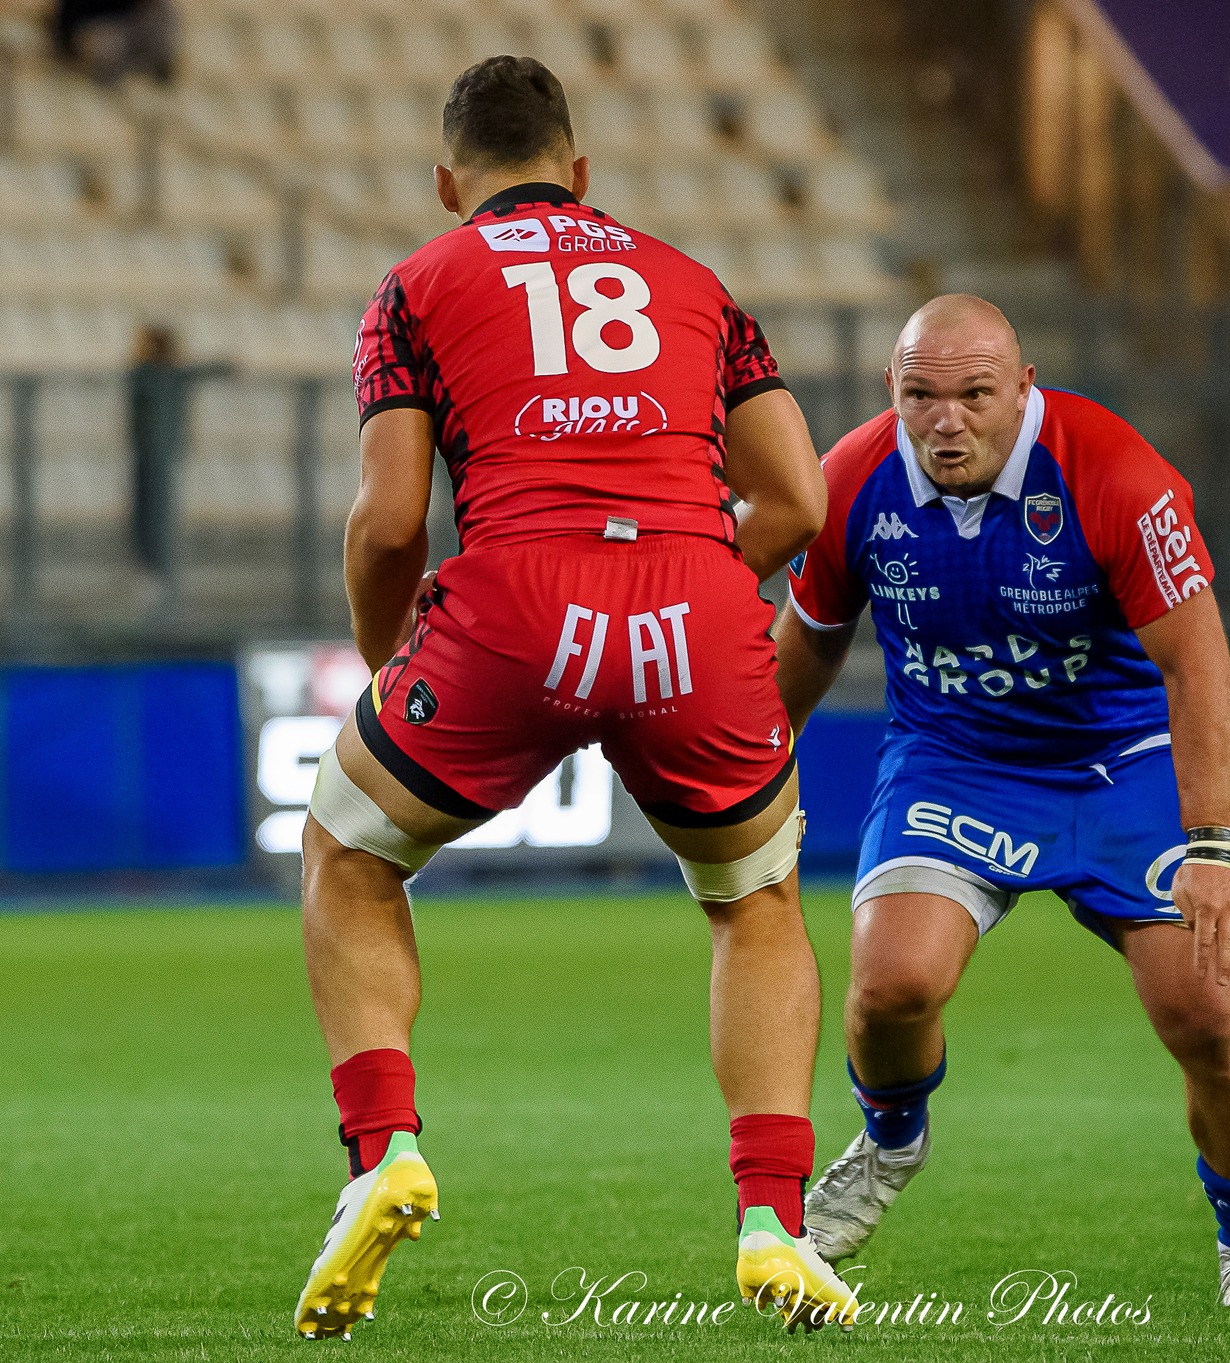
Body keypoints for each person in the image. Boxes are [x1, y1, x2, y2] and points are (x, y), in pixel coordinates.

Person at [293, 56, 856, 1339]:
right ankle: (772, 1221)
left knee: (348, 849)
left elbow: (388, 522)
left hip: (514, 607)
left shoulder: (417, 286)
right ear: (581, 172)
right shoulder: (695, 283)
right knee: (755, 901)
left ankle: (382, 1152)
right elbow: (798, 500)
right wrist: (691, 588)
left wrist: (388, 662)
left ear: (449, 185)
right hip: (692, 610)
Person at [774, 295, 1230, 1306]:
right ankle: (890, 1143)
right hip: (953, 758)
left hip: (1120, 761)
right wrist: (742, 784)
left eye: (975, 395)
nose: (946, 422)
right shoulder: (849, 481)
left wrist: (1212, 848)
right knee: (890, 987)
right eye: (921, 397)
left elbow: (1199, 668)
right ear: (891, 390)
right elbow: (805, 644)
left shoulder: (1115, 474)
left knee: (1204, 1016)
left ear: (1023, 390)